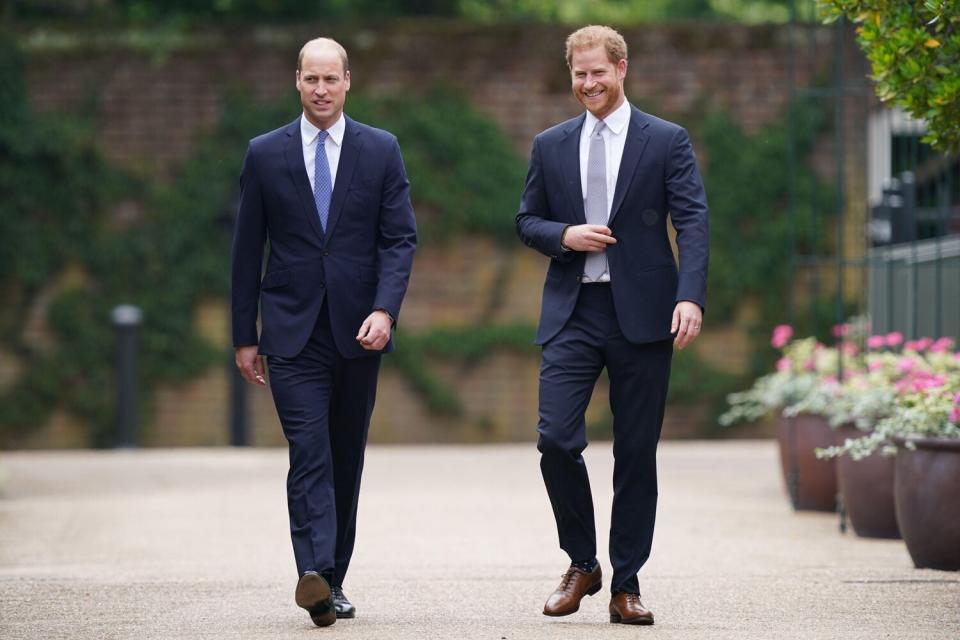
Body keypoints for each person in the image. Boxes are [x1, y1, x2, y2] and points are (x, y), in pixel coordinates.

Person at [515, 25, 709, 626]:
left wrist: (690, 297)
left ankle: (626, 584)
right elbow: (526, 220)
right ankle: (582, 562)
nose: (588, 83)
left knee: (636, 454)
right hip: (573, 311)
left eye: (598, 72)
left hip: (645, 316)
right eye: (579, 74)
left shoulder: (665, 140)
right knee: (555, 439)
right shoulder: (550, 145)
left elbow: (693, 220)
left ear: (622, 68)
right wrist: (563, 235)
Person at [230, 37, 416, 627]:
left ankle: (332, 580)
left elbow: (399, 239)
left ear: (347, 81)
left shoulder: (381, 150)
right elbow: (245, 250)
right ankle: (313, 571)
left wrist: (386, 311)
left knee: (344, 457)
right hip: (290, 333)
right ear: (297, 81)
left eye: (330, 79)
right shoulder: (265, 153)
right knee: (308, 451)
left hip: (360, 331)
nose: (321, 89)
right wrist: (244, 335)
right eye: (311, 79)